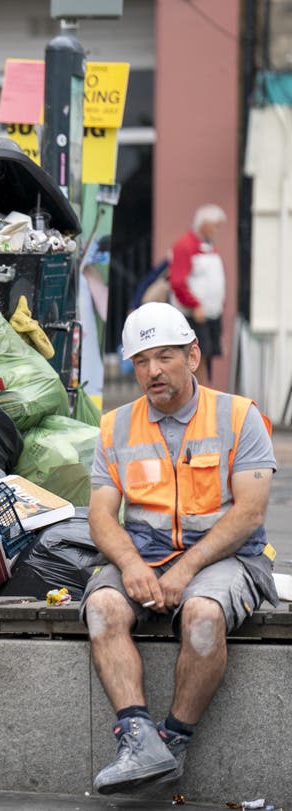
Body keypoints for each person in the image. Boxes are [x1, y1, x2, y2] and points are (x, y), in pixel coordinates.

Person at [83, 301, 276, 795]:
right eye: (141, 361)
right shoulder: (116, 426)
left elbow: (249, 513)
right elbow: (102, 516)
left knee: (204, 618)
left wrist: (184, 570)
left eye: (165, 357)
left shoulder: (239, 416)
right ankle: (137, 738)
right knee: (103, 607)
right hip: (144, 555)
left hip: (224, 558)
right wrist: (129, 564)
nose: (152, 371)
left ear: (192, 355)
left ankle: (172, 741)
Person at [168, 204, 227, 384]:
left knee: (207, 356)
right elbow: (178, 282)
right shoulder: (185, 245)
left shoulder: (208, 246)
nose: (217, 231)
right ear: (204, 224)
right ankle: (198, 393)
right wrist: (194, 304)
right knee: (197, 357)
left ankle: (204, 391)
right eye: (215, 226)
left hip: (210, 313)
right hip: (194, 314)